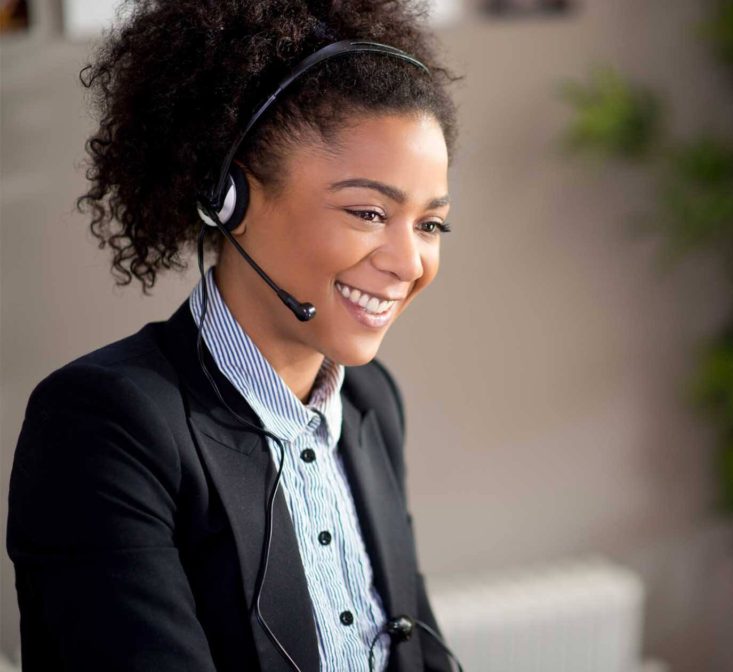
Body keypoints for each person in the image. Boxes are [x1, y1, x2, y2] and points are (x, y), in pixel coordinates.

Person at [6, 1, 461, 670]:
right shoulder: (106, 426)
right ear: (230, 199)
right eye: (369, 212)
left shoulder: (370, 403)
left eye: (430, 225)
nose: (409, 261)